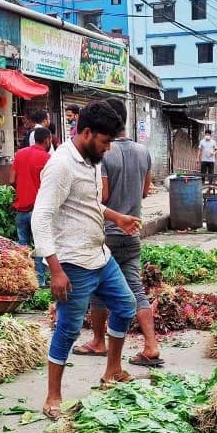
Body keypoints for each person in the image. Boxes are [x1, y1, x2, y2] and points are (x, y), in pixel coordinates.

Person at [31, 101, 142, 420]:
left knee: (125, 305)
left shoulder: (92, 159)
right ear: (87, 133)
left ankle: (112, 372)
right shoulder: (60, 165)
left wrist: (116, 217)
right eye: (105, 142)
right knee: (67, 329)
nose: (108, 149)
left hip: (99, 254)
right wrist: (54, 269)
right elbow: (41, 218)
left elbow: (89, 203)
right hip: (72, 263)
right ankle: (53, 396)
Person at [76, 98, 162, 368]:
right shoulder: (142, 151)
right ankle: (151, 345)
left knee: (98, 291)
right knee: (136, 288)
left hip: (107, 233)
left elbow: (102, 196)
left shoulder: (104, 153)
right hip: (132, 232)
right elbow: (146, 191)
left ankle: (99, 342)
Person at [13, 126, 52, 285]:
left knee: (23, 246)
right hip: (39, 210)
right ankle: (39, 282)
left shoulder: (20, 154)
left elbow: (11, 179)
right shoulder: (48, 158)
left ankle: (24, 280)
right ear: (48, 140)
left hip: (21, 208)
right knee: (40, 247)